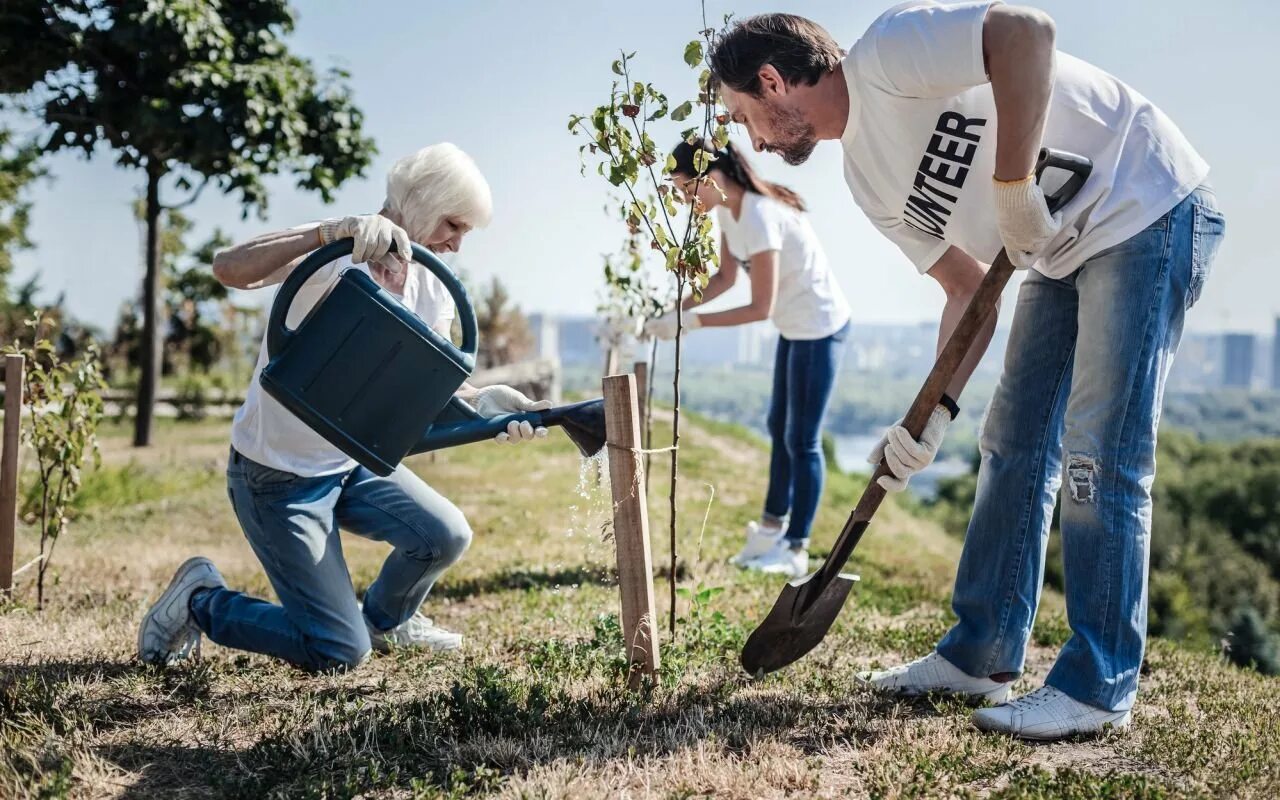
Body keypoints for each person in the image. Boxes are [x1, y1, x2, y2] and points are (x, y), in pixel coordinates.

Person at [709, 2, 1224, 740]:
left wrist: (1012, 188)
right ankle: (979, 653)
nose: (747, 137)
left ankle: (1097, 687)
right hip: (1054, 250)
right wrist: (933, 416)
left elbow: (1026, 34)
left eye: (740, 115)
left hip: (1143, 204)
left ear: (771, 82)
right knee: (1011, 443)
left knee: (1099, 453)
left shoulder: (888, 55)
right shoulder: (867, 181)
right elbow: (962, 289)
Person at [138, 143, 553, 673]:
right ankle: (201, 601)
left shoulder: (435, 292)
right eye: (454, 225)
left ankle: (386, 622)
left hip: (351, 464)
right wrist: (328, 233)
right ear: (423, 202)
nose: (457, 244)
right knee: (337, 651)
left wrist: (488, 406)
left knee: (445, 535)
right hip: (279, 478)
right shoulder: (336, 253)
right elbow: (229, 269)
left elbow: (433, 389)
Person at [645, 138, 850, 579]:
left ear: (711, 177)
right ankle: (771, 530)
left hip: (820, 327)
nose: (683, 200)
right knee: (779, 427)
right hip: (794, 328)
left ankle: (796, 548)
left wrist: (693, 325)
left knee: (803, 440)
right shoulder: (729, 213)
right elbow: (722, 278)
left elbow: (759, 307)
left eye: (685, 189)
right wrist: (678, 308)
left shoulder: (758, 215)